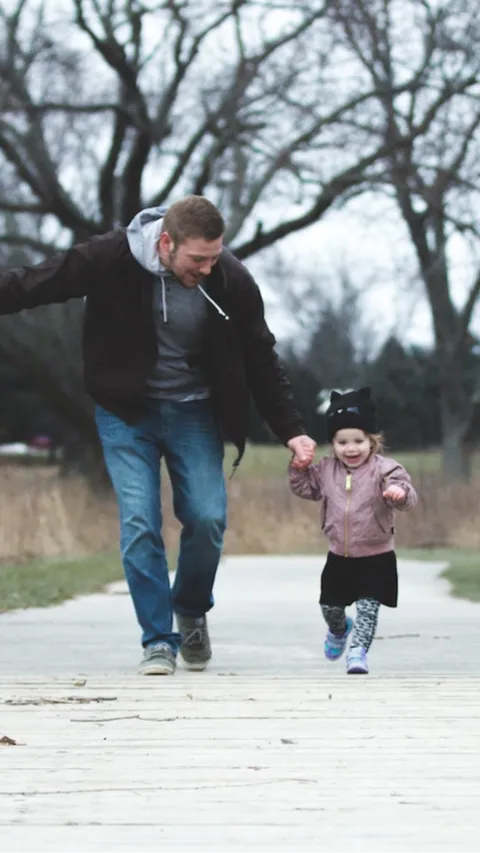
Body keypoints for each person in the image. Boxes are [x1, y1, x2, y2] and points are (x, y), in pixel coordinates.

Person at [0, 195, 316, 675]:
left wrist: (291, 430)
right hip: (127, 412)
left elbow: (261, 358)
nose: (208, 269)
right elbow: (39, 281)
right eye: (197, 259)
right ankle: (157, 640)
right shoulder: (111, 257)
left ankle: (190, 608)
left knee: (208, 518)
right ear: (166, 243)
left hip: (195, 411)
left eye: (214, 257)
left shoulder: (230, 279)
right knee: (140, 523)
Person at [288, 387, 417, 675]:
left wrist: (399, 492)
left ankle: (358, 653)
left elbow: (408, 495)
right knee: (330, 608)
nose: (351, 448)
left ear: (372, 441)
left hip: (377, 556)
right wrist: (298, 468)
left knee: (368, 610)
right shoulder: (325, 470)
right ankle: (339, 629)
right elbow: (304, 488)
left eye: (358, 441)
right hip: (339, 556)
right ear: (332, 444)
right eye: (342, 442)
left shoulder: (386, 470)